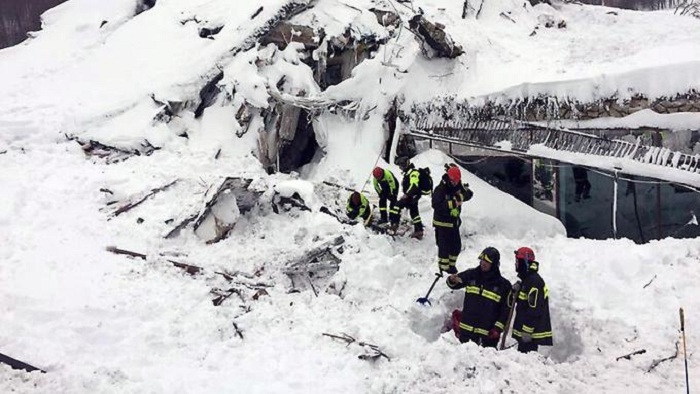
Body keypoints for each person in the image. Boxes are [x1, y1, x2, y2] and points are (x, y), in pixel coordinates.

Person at [446, 247, 512, 348]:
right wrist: (451, 280)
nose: (483, 263)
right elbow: (454, 283)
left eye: (487, 261)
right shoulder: (471, 275)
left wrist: (497, 329)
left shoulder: (504, 286)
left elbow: (505, 311)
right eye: (482, 260)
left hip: (487, 336)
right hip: (466, 332)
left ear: (494, 264)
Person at [432, 164, 472, 274]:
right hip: (442, 223)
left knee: (456, 247)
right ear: (449, 179)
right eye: (453, 181)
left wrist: (461, 197)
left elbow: (469, 193)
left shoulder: (458, 186)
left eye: (457, 181)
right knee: (443, 248)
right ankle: (443, 269)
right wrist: (453, 203)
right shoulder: (440, 189)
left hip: (454, 223)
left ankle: (451, 265)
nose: (455, 183)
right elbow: (436, 205)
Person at [511, 247, 553, 353]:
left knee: (527, 358)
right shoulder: (526, 280)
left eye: (517, 261)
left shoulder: (534, 282)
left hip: (530, 334)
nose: (515, 264)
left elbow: (535, 308)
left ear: (524, 262)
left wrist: (527, 330)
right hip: (525, 331)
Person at [392, 157, 432, 239]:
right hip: (413, 195)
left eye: (401, 166)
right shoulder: (408, 172)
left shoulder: (413, 173)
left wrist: (407, 194)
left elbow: (414, 185)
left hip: (412, 196)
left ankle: (394, 225)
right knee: (414, 213)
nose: (400, 168)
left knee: (396, 206)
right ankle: (419, 230)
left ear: (405, 165)